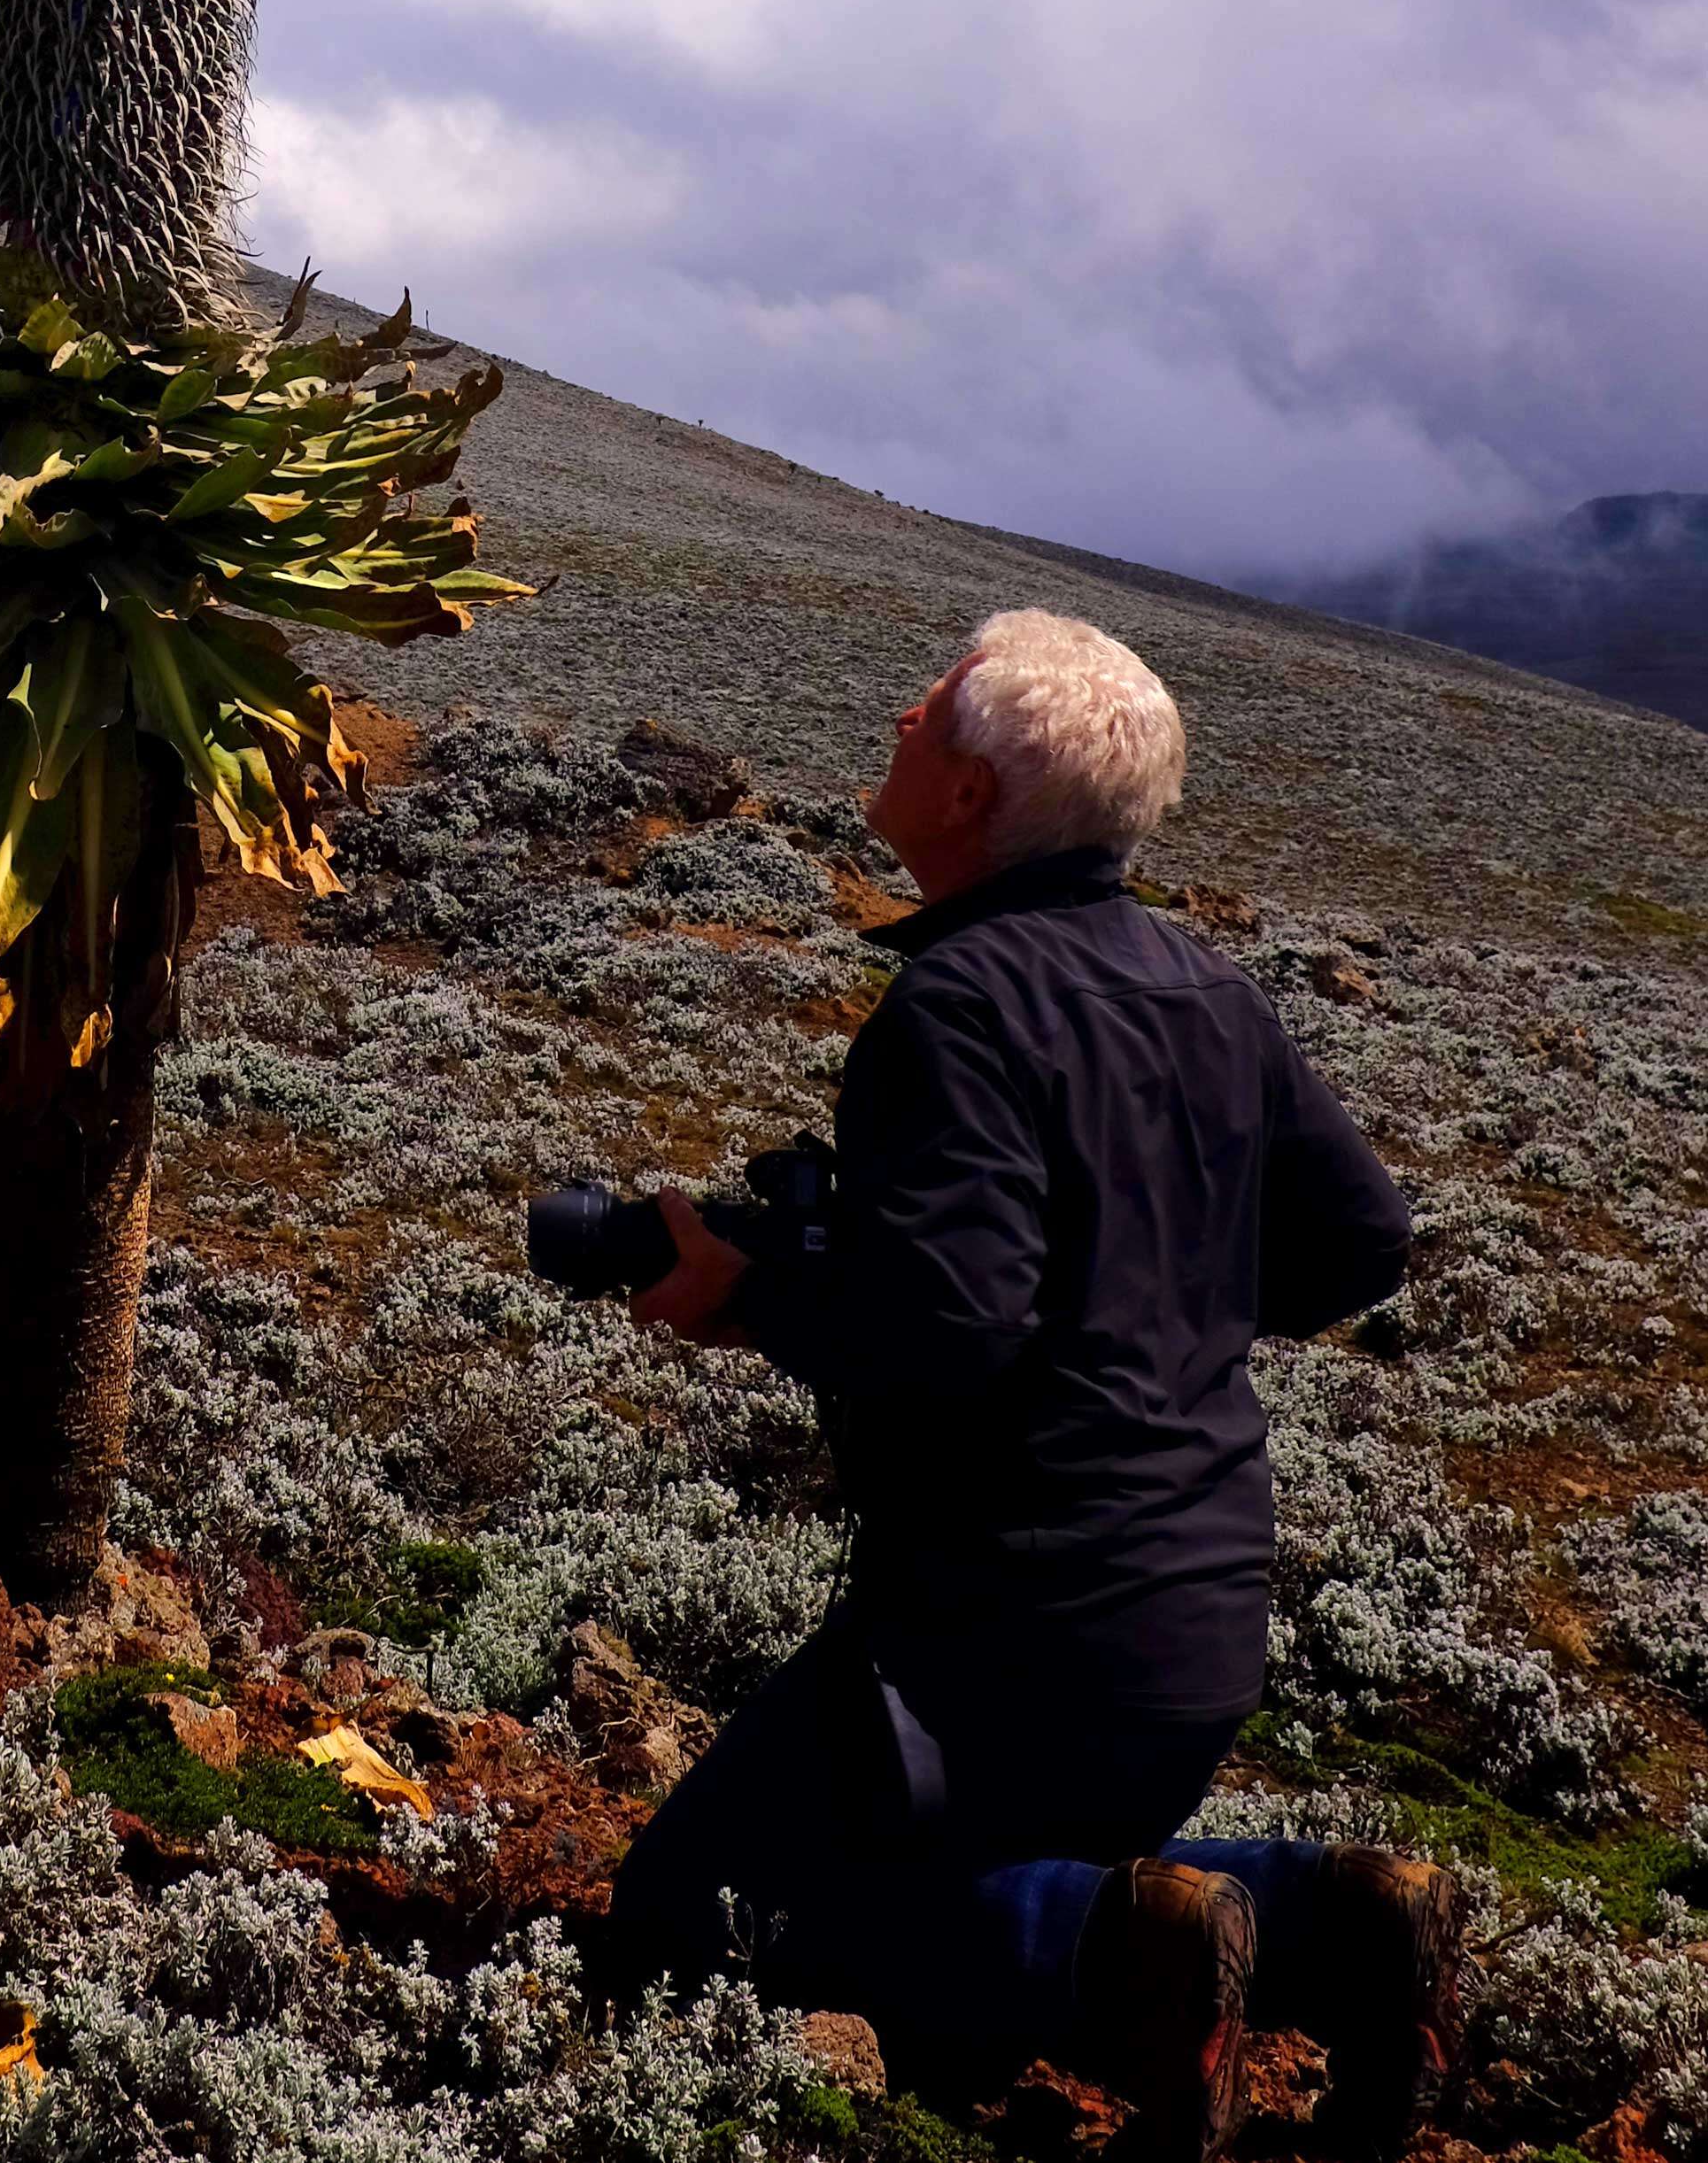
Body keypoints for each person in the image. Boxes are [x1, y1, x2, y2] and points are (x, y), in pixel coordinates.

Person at [599, 609, 1449, 2163]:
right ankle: (1335, 1916)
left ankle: (1117, 1958)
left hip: (1005, 1634)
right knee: (959, 1849)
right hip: (1197, 1612)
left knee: (687, 1921)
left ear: (978, 794)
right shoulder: (1208, 988)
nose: (901, 717)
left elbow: (949, 1330)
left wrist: (750, 1295)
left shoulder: (962, 1005)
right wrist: (1157, 1316)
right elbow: (1365, 1236)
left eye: (929, 709)